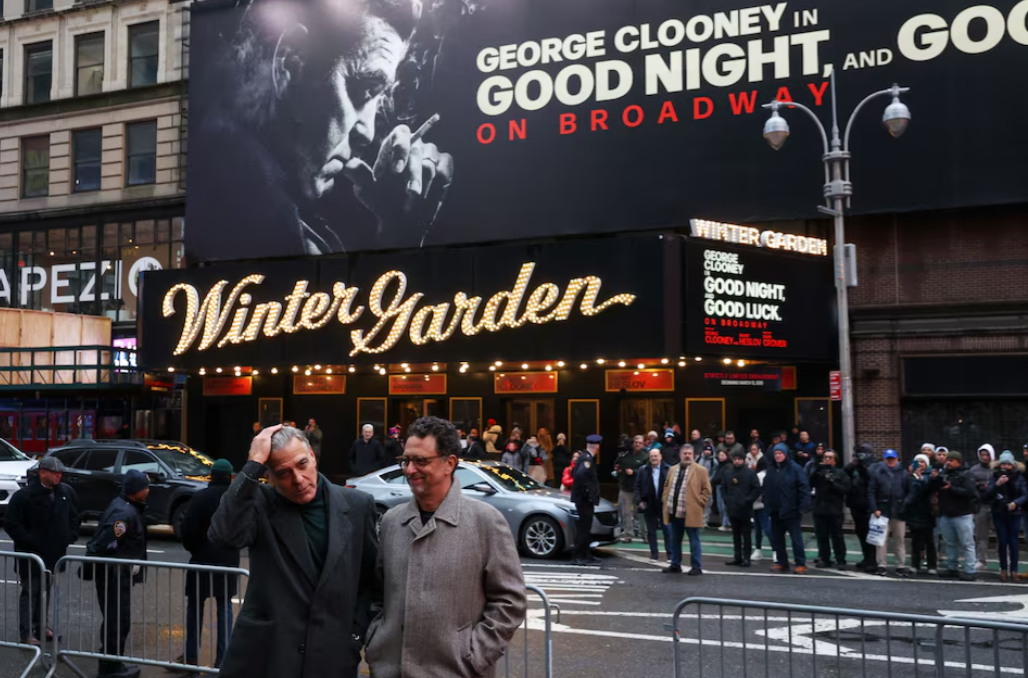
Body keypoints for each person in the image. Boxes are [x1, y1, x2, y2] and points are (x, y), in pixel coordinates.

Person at [191, 0, 454, 258]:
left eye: (379, 100)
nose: (368, 132)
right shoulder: (255, 227)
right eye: (364, 90)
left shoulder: (278, 217)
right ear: (291, 62)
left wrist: (397, 233)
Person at [209, 426, 379, 678]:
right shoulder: (260, 503)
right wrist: (253, 463)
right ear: (270, 477)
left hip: (331, 659)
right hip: (267, 658)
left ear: (312, 455)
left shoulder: (358, 505)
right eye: (283, 473)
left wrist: (354, 635)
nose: (297, 479)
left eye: (302, 464)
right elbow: (224, 536)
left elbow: (371, 583)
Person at [366, 417, 526, 678]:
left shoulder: (486, 521)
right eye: (406, 460)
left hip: (458, 671)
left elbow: (510, 601)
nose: (409, 470)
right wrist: (378, 639)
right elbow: (378, 595)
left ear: (449, 463)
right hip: (390, 670)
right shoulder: (391, 522)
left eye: (420, 461)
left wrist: (475, 655)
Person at [4, 456, 79, 646]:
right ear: (42, 473)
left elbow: (74, 517)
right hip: (31, 555)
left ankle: (42, 626)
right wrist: (30, 541)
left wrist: (69, 536)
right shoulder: (24, 496)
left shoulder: (65, 492)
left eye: (60, 473)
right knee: (31, 591)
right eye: (55, 473)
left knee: (45, 591)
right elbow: (12, 524)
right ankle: (27, 632)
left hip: (54, 554)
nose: (59, 475)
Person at [87, 470, 149, 678]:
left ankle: (112, 662)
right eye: (144, 487)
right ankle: (110, 667)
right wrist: (117, 562)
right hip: (113, 575)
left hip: (117, 574)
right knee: (117, 621)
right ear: (135, 490)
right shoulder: (123, 513)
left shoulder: (127, 507)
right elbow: (106, 543)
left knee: (118, 620)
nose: (148, 491)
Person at [180, 459, 240, 671]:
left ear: (212, 476)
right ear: (230, 477)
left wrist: (195, 549)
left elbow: (188, 530)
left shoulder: (201, 497)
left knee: (195, 606)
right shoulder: (236, 499)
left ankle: (191, 657)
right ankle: (222, 659)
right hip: (228, 560)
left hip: (202, 558)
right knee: (224, 607)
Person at [660, 444, 712, 576]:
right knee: (674, 540)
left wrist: (699, 502)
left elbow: (707, 490)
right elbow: (666, 486)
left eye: (689, 453)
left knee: (694, 540)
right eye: (685, 453)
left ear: (693, 455)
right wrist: (665, 499)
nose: (687, 456)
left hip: (691, 511)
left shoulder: (701, 470)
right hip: (674, 511)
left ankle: (696, 566)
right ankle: (675, 564)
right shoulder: (672, 469)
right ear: (680, 455)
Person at [930, 451, 979, 581]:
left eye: (952, 460)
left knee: (967, 543)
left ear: (959, 462)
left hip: (962, 514)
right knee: (950, 543)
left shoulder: (966, 474)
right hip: (946, 513)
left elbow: (969, 492)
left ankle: (970, 569)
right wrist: (934, 480)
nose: (948, 462)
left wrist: (951, 488)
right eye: (948, 460)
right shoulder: (943, 473)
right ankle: (952, 568)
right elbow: (933, 489)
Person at [764, 446, 810, 574]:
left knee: (796, 538)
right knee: (777, 538)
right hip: (775, 510)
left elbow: (803, 487)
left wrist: (803, 506)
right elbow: (766, 487)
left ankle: (800, 563)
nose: (777, 456)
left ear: (785, 454)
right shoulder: (771, 469)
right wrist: (766, 502)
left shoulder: (795, 468)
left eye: (780, 453)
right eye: (776, 453)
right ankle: (782, 562)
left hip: (791, 509)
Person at [984, 450, 1028, 581]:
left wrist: (1016, 503)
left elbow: (1025, 494)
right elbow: (987, 495)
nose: (1006, 467)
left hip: (1015, 512)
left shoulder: (1019, 477)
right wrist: (997, 484)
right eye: (1003, 464)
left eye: (1008, 464)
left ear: (1013, 465)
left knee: (1013, 541)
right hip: (999, 512)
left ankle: (1014, 569)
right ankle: (1003, 568)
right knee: (1002, 541)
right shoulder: (994, 476)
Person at [868, 449, 912, 577]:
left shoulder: (904, 474)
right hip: (882, 511)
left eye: (893, 458)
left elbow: (910, 491)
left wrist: (905, 503)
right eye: (888, 459)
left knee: (900, 540)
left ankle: (900, 565)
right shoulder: (877, 473)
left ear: (897, 459)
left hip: (899, 511)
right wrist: (874, 508)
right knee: (880, 540)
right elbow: (871, 492)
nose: (890, 461)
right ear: (884, 459)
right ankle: (881, 565)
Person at [718, 450, 761, 567]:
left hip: (745, 508)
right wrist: (727, 500)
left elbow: (757, 489)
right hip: (732, 507)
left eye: (739, 459)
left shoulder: (750, 473)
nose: (737, 461)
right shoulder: (728, 472)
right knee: (735, 534)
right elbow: (723, 487)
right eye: (735, 459)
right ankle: (737, 557)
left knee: (746, 534)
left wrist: (748, 500)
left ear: (744, 460)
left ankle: (746, 557)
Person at [809, 449, 851, 569]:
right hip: (820, 509)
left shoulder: (840, 473)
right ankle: (824, 558)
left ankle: (840, 559)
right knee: (822, 536)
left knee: (837, 536)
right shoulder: (819, 473)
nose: (827, 459)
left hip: (835, 510)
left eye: (830, 457)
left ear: (834, 460)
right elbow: (810, 483)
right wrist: (817, 470)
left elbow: (846, 489)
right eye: (825, 457)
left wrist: (832, 482)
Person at [845, 444, 878, 573]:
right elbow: (845, 474)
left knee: (870, 535)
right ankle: (866, 558)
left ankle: (872, 561)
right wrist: (854, 464)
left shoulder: (873, 465)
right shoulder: (855, 467)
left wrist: (863, 467)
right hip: (855, 504)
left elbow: (870, 479)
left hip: (867, 506)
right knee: (861, 533)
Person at [904, 454, 938, 576]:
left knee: (929, 540)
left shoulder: (931, 476)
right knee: (915, 541)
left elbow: (929, 490)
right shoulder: (909, 477)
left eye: (922, 462)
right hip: (914, 512)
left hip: (928, 512)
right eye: (917, 461)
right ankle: (915, 564)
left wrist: (921, 479)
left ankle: (932, 565)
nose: (919, 464)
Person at [635, 448, 671, 563]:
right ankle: (654, 554)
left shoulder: (668, 469)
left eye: (656, 456)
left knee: (667, 530)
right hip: (649, 503)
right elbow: (637, 487)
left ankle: (670, 555)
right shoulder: (643, 470)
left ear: (660, 456)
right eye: (652, 456)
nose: (654, 458)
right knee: (651, 531)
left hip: (664, 504)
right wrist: (639, 501)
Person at [571, 436, 602, 565]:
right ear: (597, 447)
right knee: (583, 528)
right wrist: (588, 493)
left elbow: (574, 473)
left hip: (583, 499)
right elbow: (579, 475)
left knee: (586, 527)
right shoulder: (587, 459)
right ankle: (578, 555)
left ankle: (586, 553)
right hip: (584, 500)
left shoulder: (583, 457)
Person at [615, 436, 649, 543]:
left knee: (642, 512)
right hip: (626, 487)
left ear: (643, 444)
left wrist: (634, 472)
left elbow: (647, 471)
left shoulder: (645, 456)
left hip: (640, 488)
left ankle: (645, 535)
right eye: (636, 442)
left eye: (640, 443)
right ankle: (628, 534)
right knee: (625, 512)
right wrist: (618, 470)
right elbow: (617, 465)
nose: (637, 444)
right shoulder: (625, 454)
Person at [969, 443, 996, 572]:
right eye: (982, 454)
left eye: (987, 454)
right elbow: (970, 487)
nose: (985, 457)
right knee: (981, 535)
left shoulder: (997, 468)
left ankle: (1004, 559)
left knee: (1001, 535)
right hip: (981, 505)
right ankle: (981, 560)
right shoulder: (974, 470)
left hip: (996, 506)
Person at [747, 444, 772, 562]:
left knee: (765, 528)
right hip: (759, 504)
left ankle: (773, 550)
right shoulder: (764, 474)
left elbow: (757, 490)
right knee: (759, 528)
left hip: (761, 504)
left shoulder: (760, 475)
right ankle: (759, 550)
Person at [712, 449, 733, 532]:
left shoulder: (729, 466)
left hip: (724, 487)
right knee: (720, 506)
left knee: (724, 506)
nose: (720, 457)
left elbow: (721, 477)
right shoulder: (718, 465)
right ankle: (724, 523)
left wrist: (714, 480)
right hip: (718, 486)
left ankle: (727, 524)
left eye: (723, 455)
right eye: (720, 455)